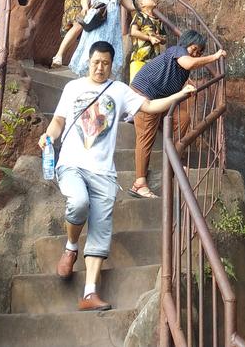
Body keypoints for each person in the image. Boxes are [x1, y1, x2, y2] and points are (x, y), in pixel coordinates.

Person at [39, 40, 194, 310]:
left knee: (101, 230)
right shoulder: (73, 87)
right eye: (96, 62)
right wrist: (48, 136)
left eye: (106, 63)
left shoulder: (120, 90)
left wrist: (178, 96)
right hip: (72, 164)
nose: (100, 68)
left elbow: (149, 107)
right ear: (88, 61)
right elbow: (59, 121)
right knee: (78, 203)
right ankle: (71, 246)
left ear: (113, 65)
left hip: (104, 173)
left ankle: (89, 294)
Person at [129, 30, 227, 198]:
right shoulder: (177, 50)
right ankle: (139, 183)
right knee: (146, 136)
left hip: (160, 99)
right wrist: (214, 56)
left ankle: (173, 161)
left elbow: (177, 78)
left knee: (183, 119)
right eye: (194, 49)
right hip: (143, 96)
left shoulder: (183, 67)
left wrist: (187, 90)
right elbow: (189, 63)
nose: (196, 54)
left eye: (199, 52)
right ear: (185, 44)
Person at [69, 0, 135, 77]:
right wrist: (85, 8)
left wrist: (144, 2)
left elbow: (130, 5)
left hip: (113, 28)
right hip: (99, 23)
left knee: (110, 55)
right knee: (94, 51)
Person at [129, 0, 165, 84]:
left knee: (150, 87)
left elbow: (164, 40)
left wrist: (159, 38)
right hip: (139, 59)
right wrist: (150, 38)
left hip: (154, 61)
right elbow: (133, 32)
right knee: (136, 87)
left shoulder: (158, 20)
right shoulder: (139, 16)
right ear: (142, 5)